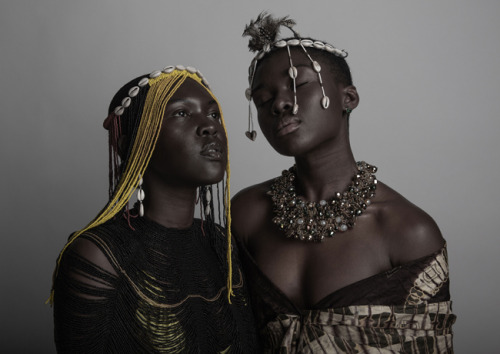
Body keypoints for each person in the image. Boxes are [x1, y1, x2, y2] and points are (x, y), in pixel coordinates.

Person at [232, 12, 455, 353]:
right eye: (262, 100)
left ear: (348, 99)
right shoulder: (246, 214)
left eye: (299, 83)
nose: (279, 103)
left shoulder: (408, 231)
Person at [50, 65, 258, 353]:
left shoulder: (221, 243)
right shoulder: (100, 256)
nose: (210, 126)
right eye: (181, 113)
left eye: (213, 114)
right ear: (132, 145)